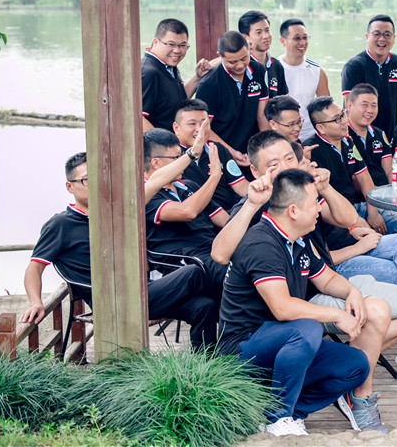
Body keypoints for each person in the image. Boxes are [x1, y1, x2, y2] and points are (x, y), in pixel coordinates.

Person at [213, 131, 397, 385]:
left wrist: (325, 188)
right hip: (300, 298)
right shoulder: (254, 207)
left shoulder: (303, 192)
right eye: (274, 165)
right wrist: (251, 204)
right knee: (390, 292)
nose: (285, 168)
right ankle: (352, 366)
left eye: (289, 159)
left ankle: (358, 359)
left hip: (324, 277)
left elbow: (348, 219)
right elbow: (220, 254)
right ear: (256, 172)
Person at [217, 169, 372, 436]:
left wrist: (352, 292)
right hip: (242, 350)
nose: (319, 208)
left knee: (355, 364)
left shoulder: (297, 239)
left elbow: (326, 279)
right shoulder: (262, 243)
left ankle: (287, 413)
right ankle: (279, 417)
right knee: (307, 327)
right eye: (314, 203)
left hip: (282, 343)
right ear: (293, 211)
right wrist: (336, 315)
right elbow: (283, 308)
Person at [20, 153, 218, 350]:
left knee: (204, 306)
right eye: (87, 180)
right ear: (69, 187)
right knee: (194, 272)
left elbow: (154, 182)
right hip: (112, 302)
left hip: (141, 290)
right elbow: (34, 268)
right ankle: (235, 315)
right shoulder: (60, 225)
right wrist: (35, 302)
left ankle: (208, 363)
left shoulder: (113, 214)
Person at [304, 96, 397, 235]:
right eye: (337, 119)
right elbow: (318, 198)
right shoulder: (311, 151)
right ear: (321, 128)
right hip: (333, 214)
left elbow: (365, 179)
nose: (344, 121)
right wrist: (353, 221)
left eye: (343, 115)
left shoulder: (348, 142)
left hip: (355, 205)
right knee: (371, 236)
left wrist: (373, 213)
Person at [143, 128, 228, 292]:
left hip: (213, 251)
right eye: (176, 158)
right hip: (186, 262)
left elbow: (225, 220)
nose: (183, 162)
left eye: (182, 155)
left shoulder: (189, 185)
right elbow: (188, 212)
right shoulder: (143, 196)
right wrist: (214, 177)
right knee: (240, 276)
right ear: (155, 163)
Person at [195, 30, 269, 168]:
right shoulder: (208, 84)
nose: (240, 65)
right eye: (232, 62)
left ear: (249, 50)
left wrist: (268, 148)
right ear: (220, 56)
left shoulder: (259, 70)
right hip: (221, 153)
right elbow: (203, 128)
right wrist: (231, 152)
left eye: (244, 58)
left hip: (251, 150)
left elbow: (262, 116)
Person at [173, 99, 249, 211]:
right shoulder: (170, 156)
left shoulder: (218, 149)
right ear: (176, 128)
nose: (200, 129)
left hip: (229, 212)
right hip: (196, 215)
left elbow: (240, 186)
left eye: (205, 123)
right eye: (192, 124)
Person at [342, 14, 397, 137]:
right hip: (361, 136)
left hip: (390, 135)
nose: (382, 39)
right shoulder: (354, 66)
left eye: (387, 34)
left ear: (394, 38)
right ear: (367, 37)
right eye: (376, 34)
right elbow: (349, 109)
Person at [141, 18, 210, 132]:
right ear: (156, 42)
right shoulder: (148, 72)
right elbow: (138, 118)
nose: (177, 50)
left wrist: (197, 77)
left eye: (182, 45)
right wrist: (164, 143)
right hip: (161, 142)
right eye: (171, 44)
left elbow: (177, 102)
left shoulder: (168, 66)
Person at [278, 18, 330, 141]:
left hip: (311, 136)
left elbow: (325, 108)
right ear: (283, 41)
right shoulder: (274, 69)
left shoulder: (317, 70)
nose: (302, 43)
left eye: (305, 38)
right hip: (282, 137)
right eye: (297, 38)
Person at [346, 83, 394, 188]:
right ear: (349, 106)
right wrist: (375, 192)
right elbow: (350, 178)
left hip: (384, 191)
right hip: (361, 194)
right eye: (364, 105)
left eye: (374, 105)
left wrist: (394, 192)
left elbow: (389, 171)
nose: (370, 110)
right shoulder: (342, 136)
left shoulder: (380, 134)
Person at [239, 10, 288, 99]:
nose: (265, 36)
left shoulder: (276, 65)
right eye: (259, 32)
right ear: (244, 37)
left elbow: (283, 101)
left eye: (267, 30)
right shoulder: (240, 66)